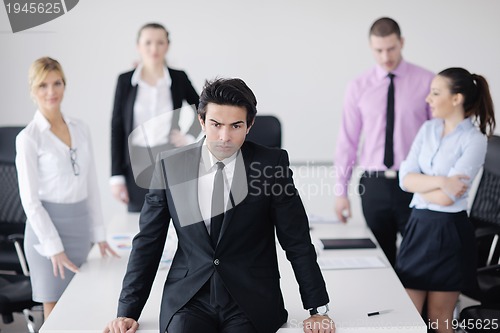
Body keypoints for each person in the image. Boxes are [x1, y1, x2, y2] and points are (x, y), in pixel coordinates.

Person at [104, 78, 335, 333]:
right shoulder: (170, 166)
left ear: (250, 125)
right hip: (188, 299)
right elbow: (148, 241)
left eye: (236, 126)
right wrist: (127, 311)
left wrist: (317, 309)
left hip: (250, 298)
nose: (225, 137)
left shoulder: (271, 166)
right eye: (216, 125)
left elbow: (297, 239)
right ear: (201, 121)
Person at [15, 57, 118, 319]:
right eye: (43, 85)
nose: (51, 92)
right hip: (47, 235)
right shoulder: (28, 138)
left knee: (83, 307)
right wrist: (54, 247)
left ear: (64, 85)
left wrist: (99, 234)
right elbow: (30, 201)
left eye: (57, 83)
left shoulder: (80, 128)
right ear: (32, 91)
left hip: (80, 227)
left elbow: (91, 184)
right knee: (57, 318)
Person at [396, 67, 495, 332]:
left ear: (456, 98)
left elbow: (445, 199)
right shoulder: (427, 129)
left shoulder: (475, 140)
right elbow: (404, 179)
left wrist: (424, 184)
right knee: (408, 317)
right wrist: (441, 180)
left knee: (439, 317)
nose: (428, 98)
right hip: (418, 228)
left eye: (435, 93)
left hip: (449, 232)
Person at [333, 17, 434, 265]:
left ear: (401, 43)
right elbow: (348, 139)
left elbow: (437, 137)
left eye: (391, 48)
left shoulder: (427, 81)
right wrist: (340, 191)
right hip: (374, 184)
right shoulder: (358, 86)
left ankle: (417, 306)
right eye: (379, 50)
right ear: (371, 47)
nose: (385, 56)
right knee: (381, 261)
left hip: (414, 182)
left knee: (419, 259)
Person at [110, 22, 201, 212]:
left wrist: (190, 136)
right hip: (135, 164)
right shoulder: (125, 81)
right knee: (138, 223)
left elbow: (204, 109)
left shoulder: (178, 78)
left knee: (174, 218)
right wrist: (116, 176)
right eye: (148, 42)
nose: (154, 48)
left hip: (170, 160)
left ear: (167, 46)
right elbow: (116, 128)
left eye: (160, 42)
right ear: (138, 47)